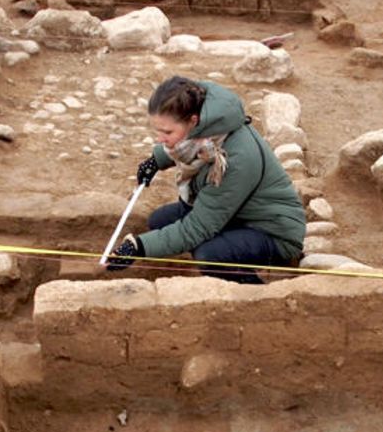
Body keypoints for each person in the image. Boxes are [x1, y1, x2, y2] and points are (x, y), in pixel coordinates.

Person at [107, 76, 306, 284]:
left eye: (167, 132)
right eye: (158, 130)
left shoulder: (233, 160)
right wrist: (156, 160)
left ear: (193, 121)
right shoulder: (207, 126)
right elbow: (185, 146)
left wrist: (139, 247)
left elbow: (197, 227)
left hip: (272, 230)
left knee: (210, 255)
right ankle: (226, 245)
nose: (160, 138)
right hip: (238, 213)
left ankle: (254, 290)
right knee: (159, 221)